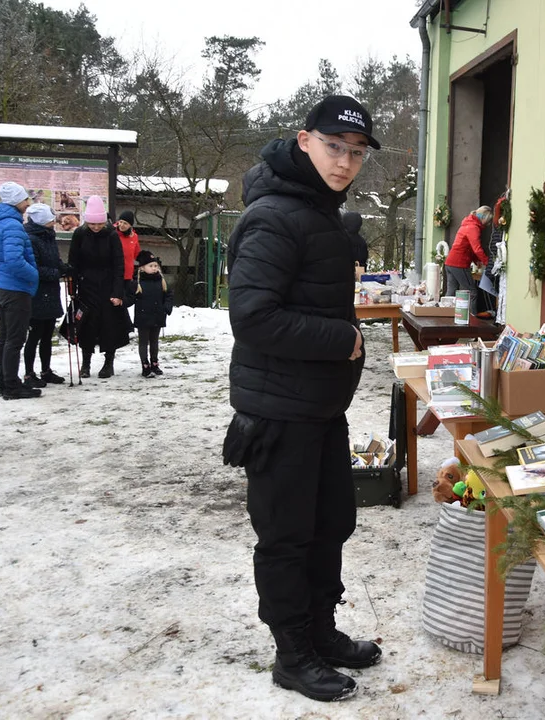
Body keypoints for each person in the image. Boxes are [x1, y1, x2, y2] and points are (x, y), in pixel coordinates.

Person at [222, 94, 381, 702]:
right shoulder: (273, 216)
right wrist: (342, 338)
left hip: (320, 408)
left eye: (357, 152)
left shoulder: (320, 211)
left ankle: (321, 630)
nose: (345, 162)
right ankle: (292, 653)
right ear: (304, 139)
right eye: (335, 146)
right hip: (279, 411)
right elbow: (254, 318)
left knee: (330, 523)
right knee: (287, 535)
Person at [0, 182, 40, 400]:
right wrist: (34, 275)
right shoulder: (12, 225)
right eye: (25, 199)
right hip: (15, 288)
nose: (28, 204)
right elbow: (15, 261)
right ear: (16, 201)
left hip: (2, 285)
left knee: (6, 338)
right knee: (15, 340)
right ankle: (11, 385)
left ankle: (6, 381)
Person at [68, 196, 129, 379]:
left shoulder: (111, 235)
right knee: (86, 325)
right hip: (86, 286)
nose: (95, 227)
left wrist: (118, 292)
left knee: (108, 325)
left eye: (99, 223)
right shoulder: (79, 234)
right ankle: (85, 364)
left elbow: (119, 265)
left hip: (108, 286)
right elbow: (73, 262)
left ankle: (108, 363)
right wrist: (73, 288)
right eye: (92, 223)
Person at [22, 203, 68, 387]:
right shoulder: (31, 238)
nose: (53, 222)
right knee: (34, 335)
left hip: (51, 292)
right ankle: (28, 373)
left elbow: (54, 260)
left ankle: (46, 370)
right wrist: (56, 273)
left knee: (48, 334)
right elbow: (35, 268)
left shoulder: (48, 236)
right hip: (37, 292)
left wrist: (64, 267)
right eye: (50, 219)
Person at [132, 250, 173, 378]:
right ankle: (145, 364)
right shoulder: (137, 282)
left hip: (157, 315)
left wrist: (166, 307)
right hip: (143, 316)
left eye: (155, 266)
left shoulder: (161, 280)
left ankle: (154, 362)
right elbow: (129, 296)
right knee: (143, 341)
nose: (154, 268)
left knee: (154, 341)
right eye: (151, 266)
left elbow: (168, 295)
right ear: (142, 268)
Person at [443, 205, 491, 297]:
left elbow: (467, 246)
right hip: (459, 263)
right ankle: (472, 312)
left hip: (450, 262)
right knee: (472, 292)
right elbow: (477, 249)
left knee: (451, 292)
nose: (487, 225)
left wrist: (476, 260)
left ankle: (446, 311)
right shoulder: (474, 228)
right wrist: (487, 262)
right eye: (487, 222)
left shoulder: (467, 224)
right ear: (484, 218)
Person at [116, 210, 141, 304]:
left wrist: (149, 262)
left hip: (127, 274)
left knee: (125, 300)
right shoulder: (113, 234)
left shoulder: (134, 237)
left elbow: (137, 254)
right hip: (115, 273)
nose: (121, 225)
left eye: (125, 223)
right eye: (120, 222)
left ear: (130, 225)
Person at [341, 211, 368, 277]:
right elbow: (363, 260)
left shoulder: (338, 238)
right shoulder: (361, 241)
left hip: (340, 276)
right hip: (358, 274)